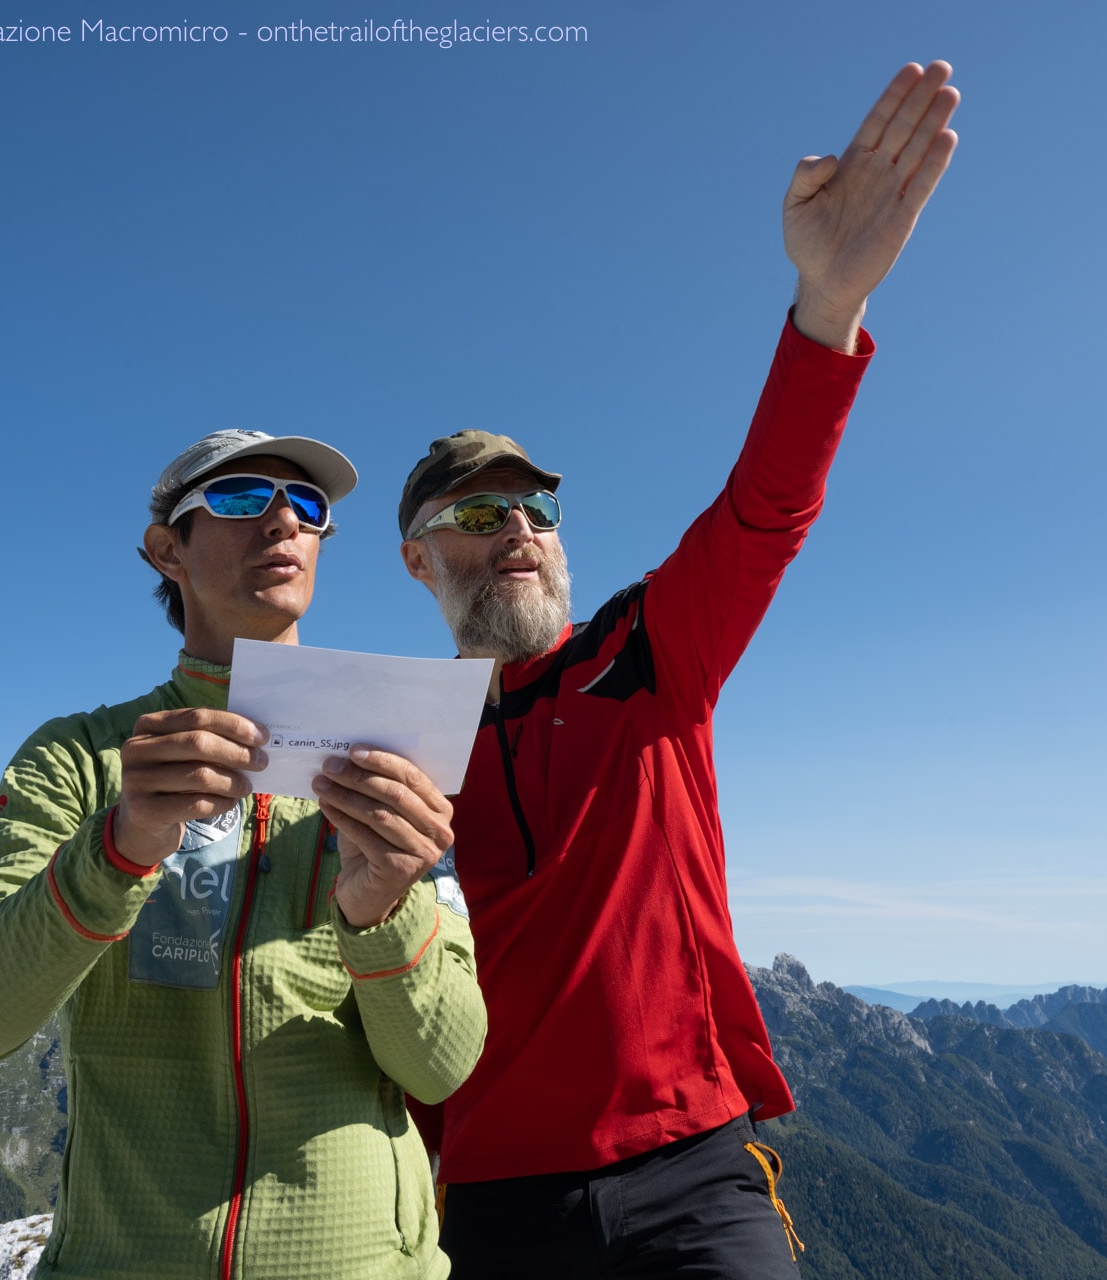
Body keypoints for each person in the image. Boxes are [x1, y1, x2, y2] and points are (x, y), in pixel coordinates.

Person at [393, 61, 961, 1278]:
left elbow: (765, 510)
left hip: (694, 1171)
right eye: (482, 509)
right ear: (416, 556)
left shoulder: (647, 648)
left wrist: (827, 306)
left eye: (537, 504)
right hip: (488, 1196)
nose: (520, 529)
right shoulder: (400, 739)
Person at [0, 430, 487, 1280]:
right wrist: (117, 850)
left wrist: (384, 910)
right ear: (166, 550)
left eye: (308, 506)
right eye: (240, 497)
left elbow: (441, 1067)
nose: (283, 520)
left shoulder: (392, 755)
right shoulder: (79, 759)